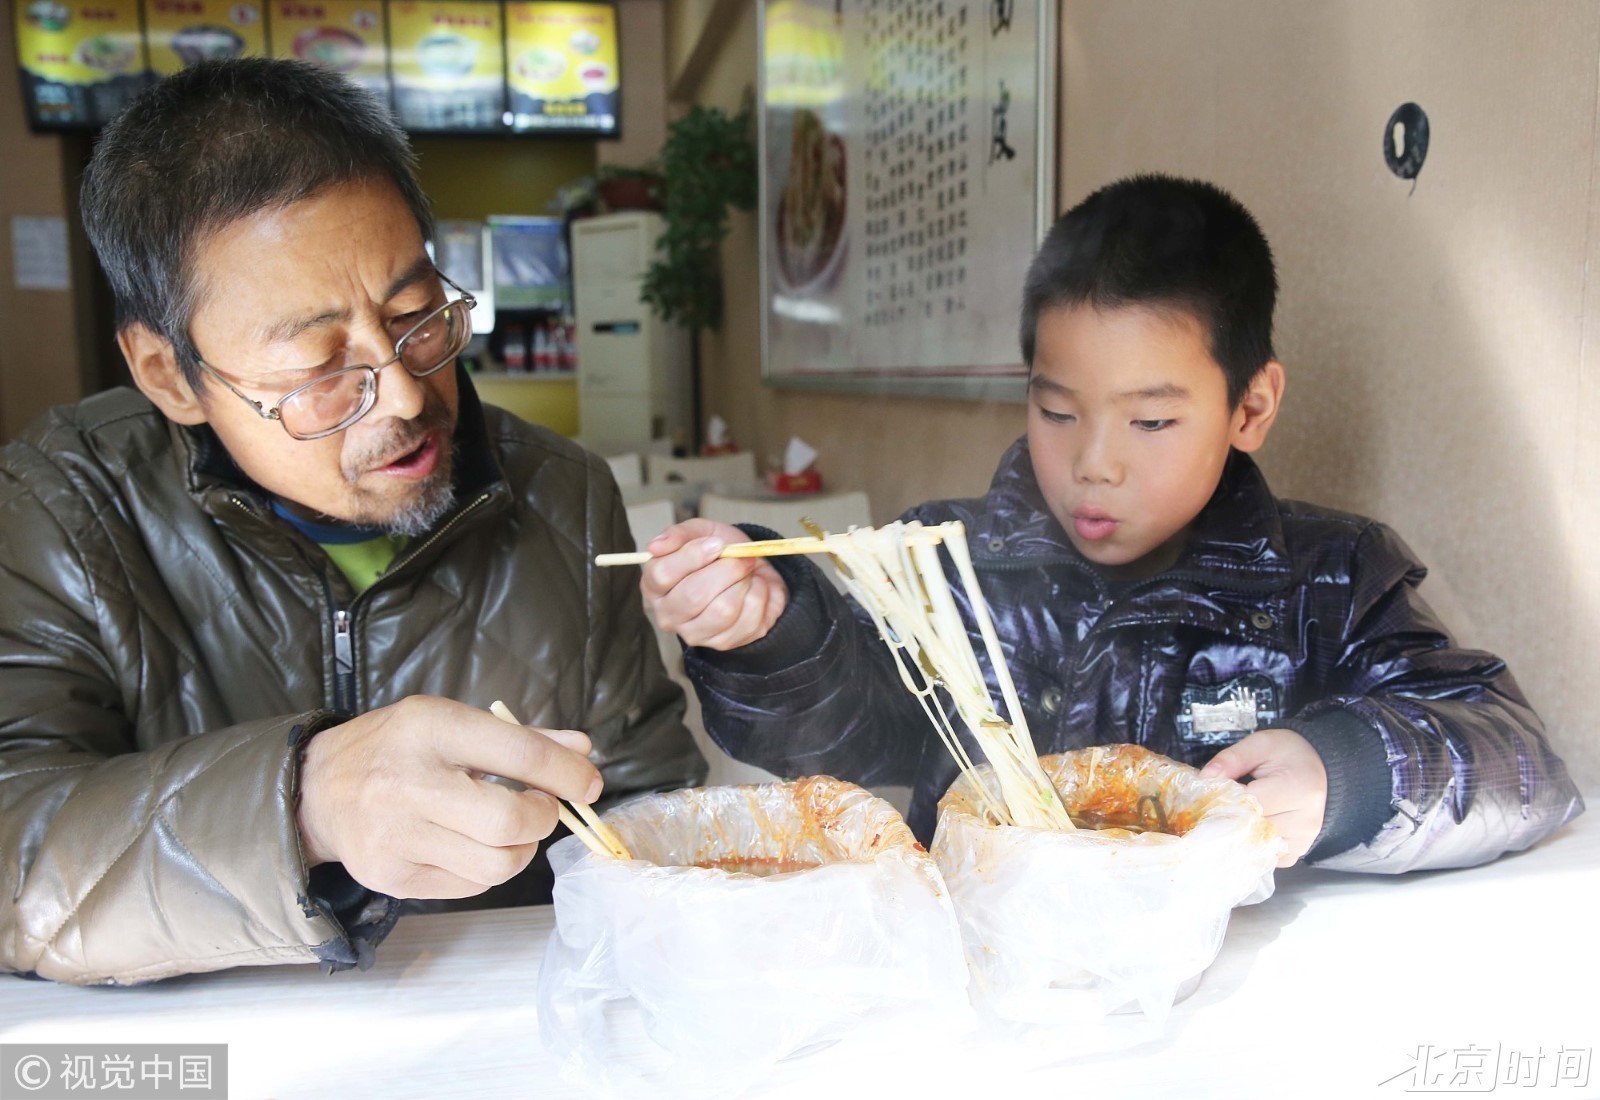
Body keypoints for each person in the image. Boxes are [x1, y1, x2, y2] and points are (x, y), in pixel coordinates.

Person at [643, 174, 1583, 872]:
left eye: (1152, 421)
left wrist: (1345, 772)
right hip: (981, 991)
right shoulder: (947, 566)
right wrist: (770, 629)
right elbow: (838, 735)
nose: (1095, 460)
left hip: (1222, 1007)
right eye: (1058, 412)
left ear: (1250, 407)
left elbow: (1523, 763)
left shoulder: (1331, 577)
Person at [0, 59, 703, 986]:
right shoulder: (66, 501)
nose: (406, 397)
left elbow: (649, 811)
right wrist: (300, 806)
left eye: (416, 316)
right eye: (318, 365)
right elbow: (17, 846)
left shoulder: (563, 492)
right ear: (170, 374)